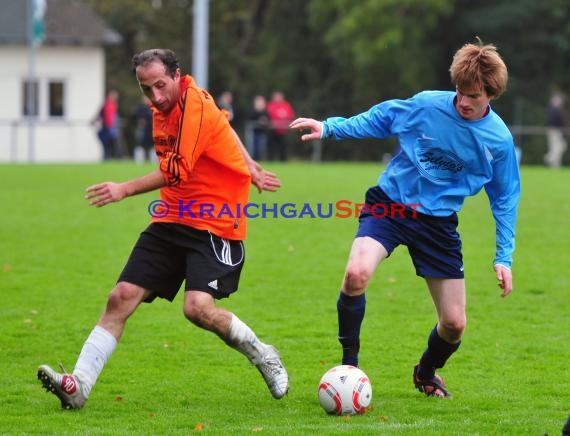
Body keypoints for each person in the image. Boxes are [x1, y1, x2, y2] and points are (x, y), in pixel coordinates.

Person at [37, 48, 288, 410]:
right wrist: (250, 163)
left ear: (177, 76)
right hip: (172, 215)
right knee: (120, 296)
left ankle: (262, 353)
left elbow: (176, 171)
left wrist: (123, 188)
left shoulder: (193, 103)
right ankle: (79, 386)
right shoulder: (164, 108)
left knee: (198, 308)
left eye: (160, 85)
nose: (155, 96)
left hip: (216, 219)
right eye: (145, 89)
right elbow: (225, 124)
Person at [290, 40, 520, 398]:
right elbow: (382, 117)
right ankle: (349, 368)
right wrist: (332, 127)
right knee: (355, 275)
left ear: (491, 94)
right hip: (391, 206)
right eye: (459, 91)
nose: (462, 101)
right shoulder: (427, 104)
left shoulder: (499, 141)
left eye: (472, 96)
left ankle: (426, 371)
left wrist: (503, 256)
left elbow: (505, 197)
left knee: (454, 324)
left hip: (438, 224)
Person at [266, 91, 295, 161]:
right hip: (272, 130)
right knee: (271, 147)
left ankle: (283, 161)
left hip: (283, 131)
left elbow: (290, 116)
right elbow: (267, 116)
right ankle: (270, 161)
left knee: (283, 147)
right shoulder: (270, 105)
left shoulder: (286, 105)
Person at [94, 89, 120, 160]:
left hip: (110, 128)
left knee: (109, 145)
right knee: (108, 144)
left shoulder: (112, 105)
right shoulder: (108, 105)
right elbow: (101, 115)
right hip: (107, 128)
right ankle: (108, 158)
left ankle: (109, 158)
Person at [544, 92, 567, 168]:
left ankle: (555, 165)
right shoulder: (553, 109)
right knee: (556, 148)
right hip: (554, 131)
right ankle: (549, 159)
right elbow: (553, 121)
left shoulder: (556, 109)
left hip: (558, 131)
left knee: (561, 147)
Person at [247, 95, 270, 161]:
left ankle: (259, 160)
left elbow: (268, 119)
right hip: (253, 134)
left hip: (262, 133)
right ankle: (253, 160)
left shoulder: (265, 112)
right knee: (253, 149)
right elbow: (250, 118)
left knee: (260, 149)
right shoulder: (252, 111)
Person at [132, 95, 154, 162]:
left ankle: (152, 160)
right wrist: (139, 122)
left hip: (150, 130)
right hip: (141, 130)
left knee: (152, 145)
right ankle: (140, 160)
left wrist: (148, 122)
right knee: (140, 144)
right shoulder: (139, 108)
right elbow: (134, 118)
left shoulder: (152, 108)